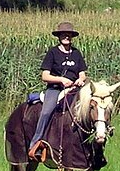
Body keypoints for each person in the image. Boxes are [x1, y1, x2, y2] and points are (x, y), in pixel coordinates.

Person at [27, 21, 87, 159]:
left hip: (75, 89)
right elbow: (45, 76)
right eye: (64, 34)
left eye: (69, 34)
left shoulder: (77, 53)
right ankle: (35, 144)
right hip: (55, 90)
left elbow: (82, 73)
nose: (66, 37)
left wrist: (80, 80)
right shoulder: (53, 53)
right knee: (46, 112)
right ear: (59, 36)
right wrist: (61, 79)